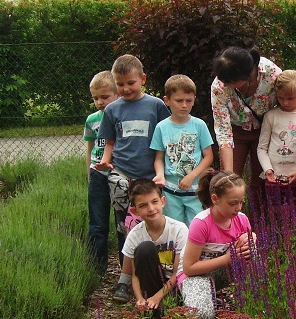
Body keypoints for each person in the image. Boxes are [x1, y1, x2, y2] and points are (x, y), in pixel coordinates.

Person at [95, 54, 171, 301]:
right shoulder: (112, 109)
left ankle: (157, 273)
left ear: (143, 79)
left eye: (130, 83)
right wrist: (107, 160)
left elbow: (163, 138)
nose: (125, 88)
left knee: (153, 221)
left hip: (149, 176)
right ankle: (124, 279)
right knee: (124, 227)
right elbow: (110, 140)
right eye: (120, 84)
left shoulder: (156, 106)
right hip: (122, 174)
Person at [180, 170, 256, 319]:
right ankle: (182, 296)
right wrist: (228, 258)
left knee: (255, 255)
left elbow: (247, 255)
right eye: (233, 203)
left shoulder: (241, 219)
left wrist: (252, 239)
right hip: (195, 275)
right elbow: (189, 268)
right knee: (200, 316)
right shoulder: (201, 223)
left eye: (242, 202)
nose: (239, 208)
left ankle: (250, 304)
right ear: (215, 199)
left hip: (220, 272)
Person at [210, 47, 282, 192]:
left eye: (230, 83)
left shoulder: (272, 74)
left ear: (247, 75)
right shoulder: (219, 85)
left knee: (261, 181)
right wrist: (229, 175)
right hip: (235, 131)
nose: (226, 86)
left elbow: (285, 105)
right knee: (229, 181)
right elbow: (223, 132)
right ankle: (230, 214)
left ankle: (258, 214)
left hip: (264, 130)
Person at [119, 179, 188, 318]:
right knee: (145, 248)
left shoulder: (179, 230)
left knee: (171, 309)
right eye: (143, 205)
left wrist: (157, 298)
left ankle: (159, 309)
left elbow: (177, 274)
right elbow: (135, 275)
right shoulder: (135, 235)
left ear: (163, 201)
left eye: (154, 202)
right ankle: (151, 308)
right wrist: (139, 298)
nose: (151, 209)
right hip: (151, 285)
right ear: (135, 211)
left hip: (174, 286)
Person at [151, 75, 214, 225]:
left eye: (189, 101)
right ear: (167, 101)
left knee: (196, 227)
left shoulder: (199, 125)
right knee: (174, 228)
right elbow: (159, 157)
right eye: (179, 101)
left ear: (194, 100)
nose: (184, 105)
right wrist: (160, 175)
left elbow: (209, 156)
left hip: (195, 190)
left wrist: (191, 176)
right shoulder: (161, 127)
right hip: (171, 190)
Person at [256, 70, 296, 197]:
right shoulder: (270, 116)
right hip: (274, 178)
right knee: (275, 214)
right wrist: (268, 170)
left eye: (291, 98)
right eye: (281, 98)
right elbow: (262, 148)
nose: (285, 102)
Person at [83, 70, 119, 273]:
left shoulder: (120, 116)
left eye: (105, 97)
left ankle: (127, 268)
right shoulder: (92, 120)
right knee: (97, 222)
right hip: (97, 174)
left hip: (118, 171)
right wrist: (89, 173)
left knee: (124, 221)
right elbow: (89, 148)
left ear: (116, 95)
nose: (100, 102)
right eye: (95, 98)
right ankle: (97, 267)